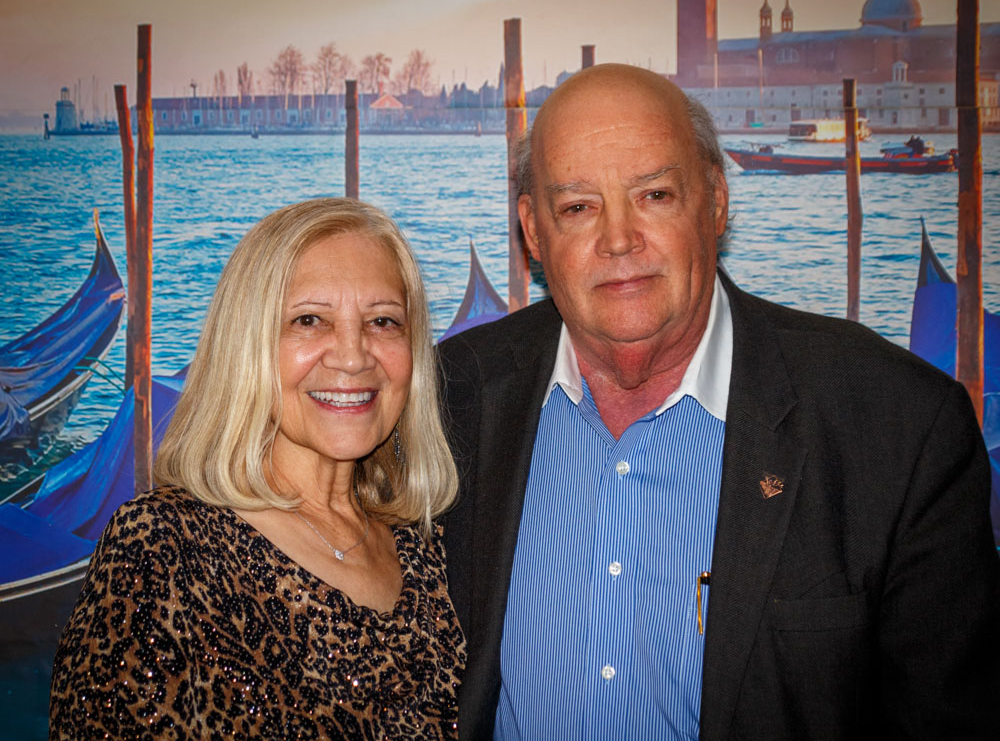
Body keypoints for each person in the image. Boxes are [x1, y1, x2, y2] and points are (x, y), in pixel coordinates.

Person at [437, 64, 1000, 739]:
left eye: (654, 195)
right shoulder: (448, 400)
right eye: (578, 207)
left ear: (715, 200)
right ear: (533, 231)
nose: (618, 239)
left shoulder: (897, 425)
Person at [50, 198, 465, 740]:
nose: (353, 355)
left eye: (382, 321)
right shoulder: (164, 548)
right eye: (309, 320)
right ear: (245, 346)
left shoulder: (432, 547)